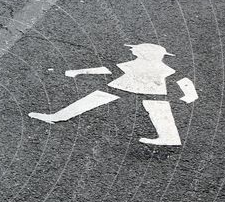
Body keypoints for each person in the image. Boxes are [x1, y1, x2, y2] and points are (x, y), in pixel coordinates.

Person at [28, 43, 198, 146]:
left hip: (130, 87)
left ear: (142, 53)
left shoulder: (141, 65)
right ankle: (169, 137)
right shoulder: (163, 67)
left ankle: (58, 116)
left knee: (94, 99)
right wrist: (190, 95)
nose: (133, 52)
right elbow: (183, 80)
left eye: (136, 51)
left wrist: (79, 71)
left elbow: (106, 70)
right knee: (158, 110)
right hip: (146, 90)